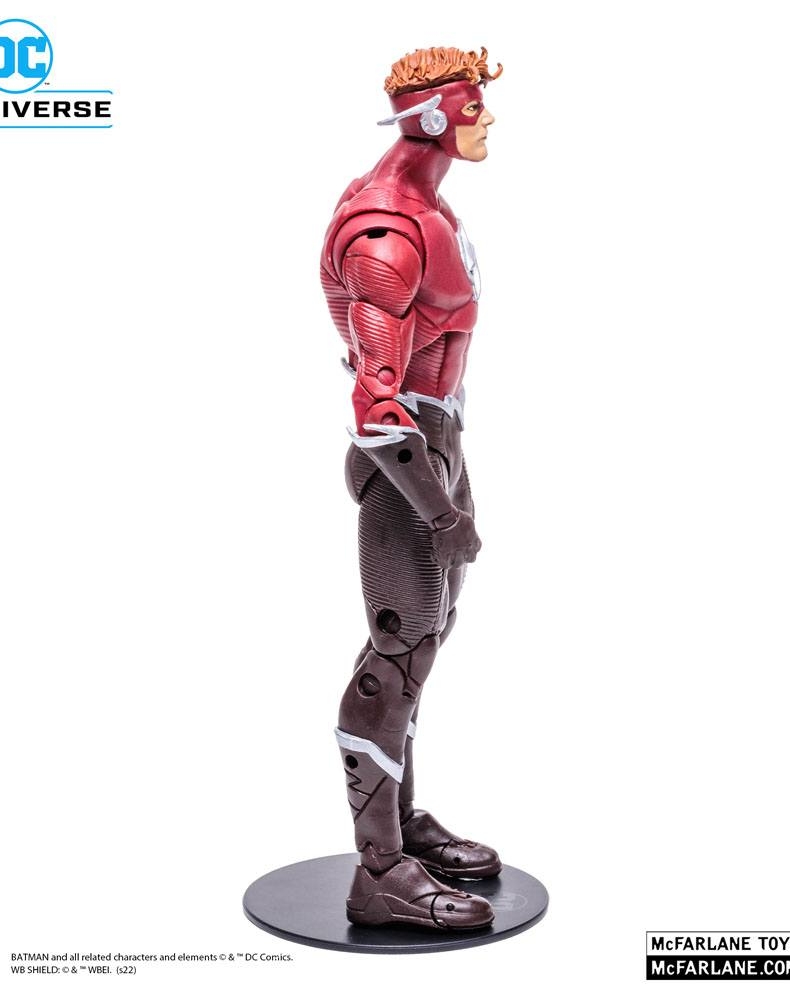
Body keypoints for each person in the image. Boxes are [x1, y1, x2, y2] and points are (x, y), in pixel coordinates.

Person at [320, 47, 503, 931]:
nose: (487, 121)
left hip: (440, 442)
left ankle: (400, 822)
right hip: (407, 472)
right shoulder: (385, 234)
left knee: (424, 646)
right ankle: (379, 871)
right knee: (393, 657)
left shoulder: (432, 209)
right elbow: (378, 416)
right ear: (431, 117)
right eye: (472, 107)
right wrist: (442, 513)